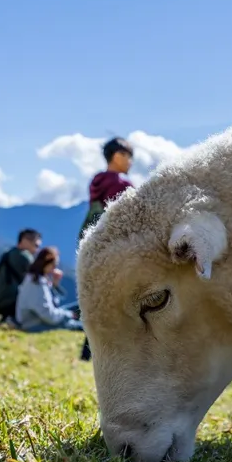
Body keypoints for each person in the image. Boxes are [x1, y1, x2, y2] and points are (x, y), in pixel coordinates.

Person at [75, 136, 135, 360]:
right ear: (118, 155)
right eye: (129, 157)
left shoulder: (96, 180)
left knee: (95, 296)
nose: (130, 162)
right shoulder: (121, 183)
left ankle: (86, 351)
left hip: (90, 240)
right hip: (115, 245)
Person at [16, 246, 83, 332]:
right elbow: (49, 315)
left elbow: (52, 305)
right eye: (54, 265)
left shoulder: (37, 278)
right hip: (36, 324)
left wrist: (54, 285)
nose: (54, 269)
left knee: (80, 306)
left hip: (41, 319)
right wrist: (68, 315)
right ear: (46, 263)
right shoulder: (36, 283)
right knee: (83, 327)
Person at [0, 228, 41, 324]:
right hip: (6, 301)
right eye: (36, 245)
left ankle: (9, 318)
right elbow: (34, 283)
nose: (37, 250)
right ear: (25, 241)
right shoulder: (24, 257)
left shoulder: (10, 253)